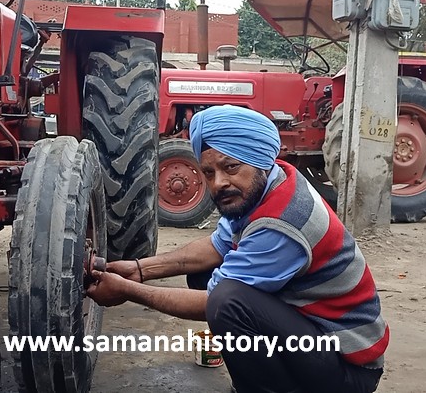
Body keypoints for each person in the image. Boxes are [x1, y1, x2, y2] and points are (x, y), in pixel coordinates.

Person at [86, 105, 388, 393]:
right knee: (206, 275)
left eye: (230, 167)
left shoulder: (281, 221)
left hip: (346, 367)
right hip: (316, 334)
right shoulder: (269, 182)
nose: (218, 183)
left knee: (227, 303)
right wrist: (140, 269)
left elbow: (211, 302)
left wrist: (127, 291)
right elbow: (215, 246)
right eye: (208, 173)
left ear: (258, 158)